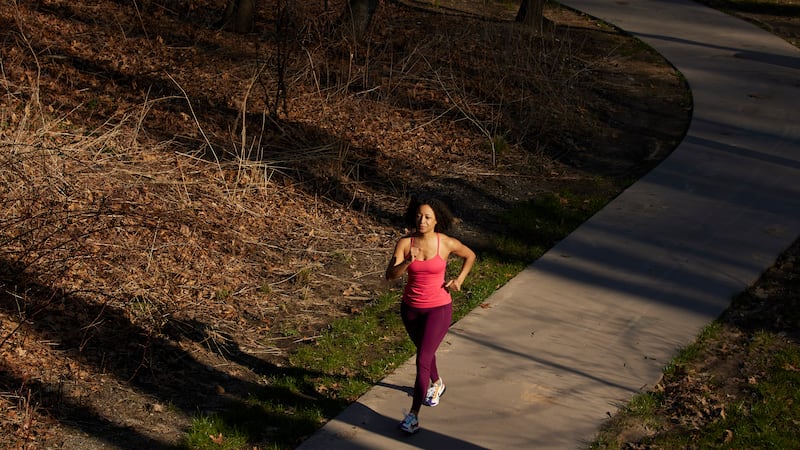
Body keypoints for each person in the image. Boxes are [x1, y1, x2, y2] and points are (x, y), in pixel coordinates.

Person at [385, 195, 476, 434]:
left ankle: (413, 416)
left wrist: (459, 280)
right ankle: (437, 384)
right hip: (410, 309)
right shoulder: (405, 243)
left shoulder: (445, 243)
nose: (421, 220)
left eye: (427, 217)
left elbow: (470, 255)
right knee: (425, 351)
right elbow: (390, 275)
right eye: (418, 215)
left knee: (423, 359)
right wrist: (406, 263)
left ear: (437, 220)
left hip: (438, 308)